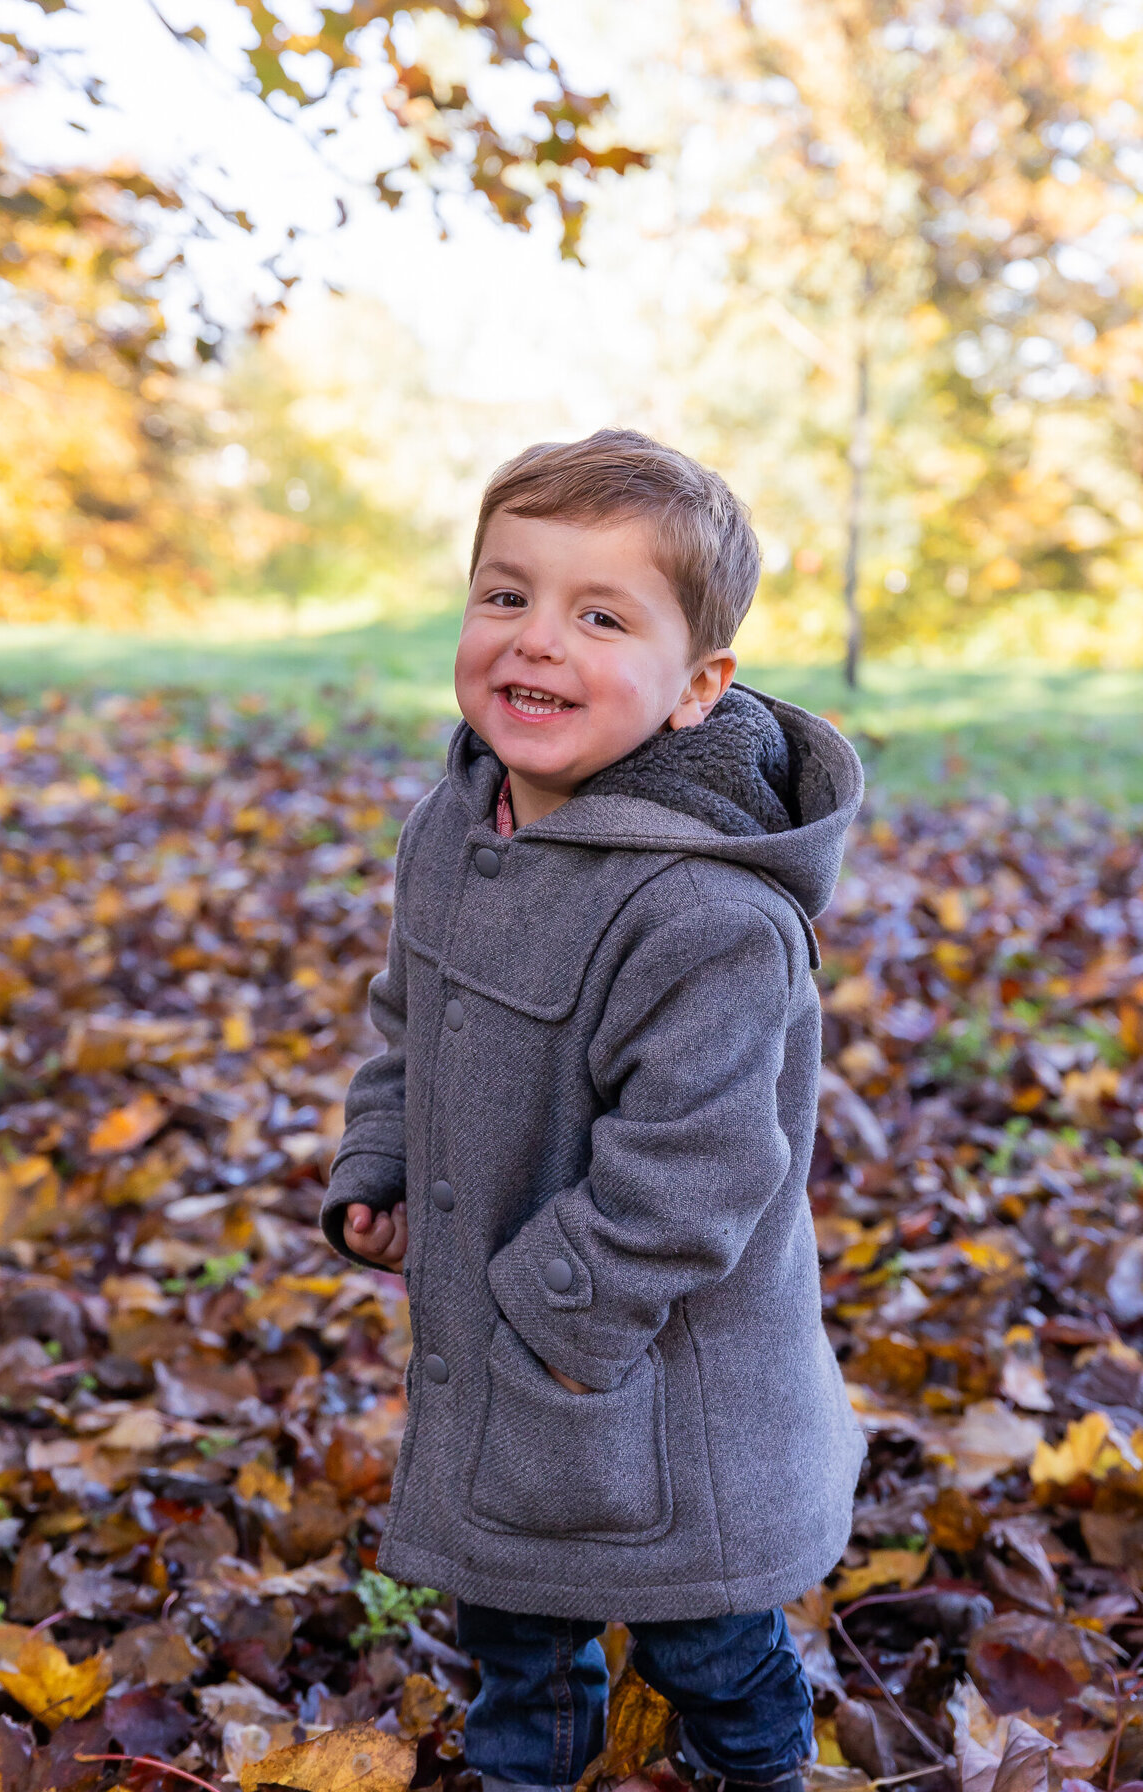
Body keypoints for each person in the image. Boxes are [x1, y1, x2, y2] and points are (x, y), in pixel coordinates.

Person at [321, 430, 866, 1792]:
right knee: (514, 1634)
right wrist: (379, 1159)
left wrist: (555, 1332)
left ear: (697, 688)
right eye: (505, 596)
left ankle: (763, 1776)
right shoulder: (456, 832)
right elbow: (411, 1024)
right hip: (502, 1373)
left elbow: (699, 1164)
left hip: (648, 1384)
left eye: (600, 615)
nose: (536, 641)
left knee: (708, 1645)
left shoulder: (708, 915)